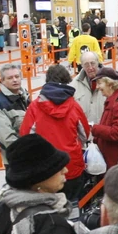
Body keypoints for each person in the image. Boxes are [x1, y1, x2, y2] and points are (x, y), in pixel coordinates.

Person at [20, 64, 91, 201]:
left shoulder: (35, 106)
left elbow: (25, 137)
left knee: (46, 207)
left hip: (45, 167)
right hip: (71, 165)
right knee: (73, 204)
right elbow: (85, 134)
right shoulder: (74, 106)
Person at [0, 63, 31, 158]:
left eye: (17, 76)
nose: (15, 80)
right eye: (10, 78)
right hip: (17, 157)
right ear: (2, 81)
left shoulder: (24, 96)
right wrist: (27, 152)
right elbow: (7, 138)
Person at [70, 51, 106, 125]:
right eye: (86, 65)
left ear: (98, 62)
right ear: (82, 66)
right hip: (85, 130)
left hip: (106, 128)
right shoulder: (74, 85)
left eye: (92, 63)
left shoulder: (110, 80)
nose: (90, 68)